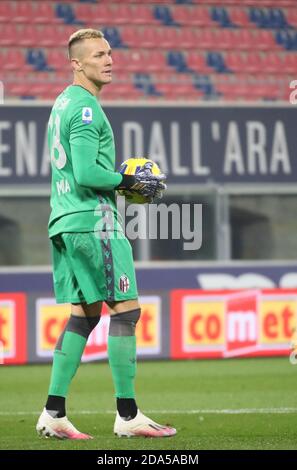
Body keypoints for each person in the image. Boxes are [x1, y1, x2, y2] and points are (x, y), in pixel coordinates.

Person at [36, 29, 176, 439]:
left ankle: (54, 412)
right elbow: (85, 172)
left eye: (110, 52)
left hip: (64, 219)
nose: (109, 59)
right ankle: (128, 415)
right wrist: (125, 180)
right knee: (126, 310)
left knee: (85, 314)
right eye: (98, 54)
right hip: (91, 219)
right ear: (76, 63)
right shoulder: (85, 110)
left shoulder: (62, 102)